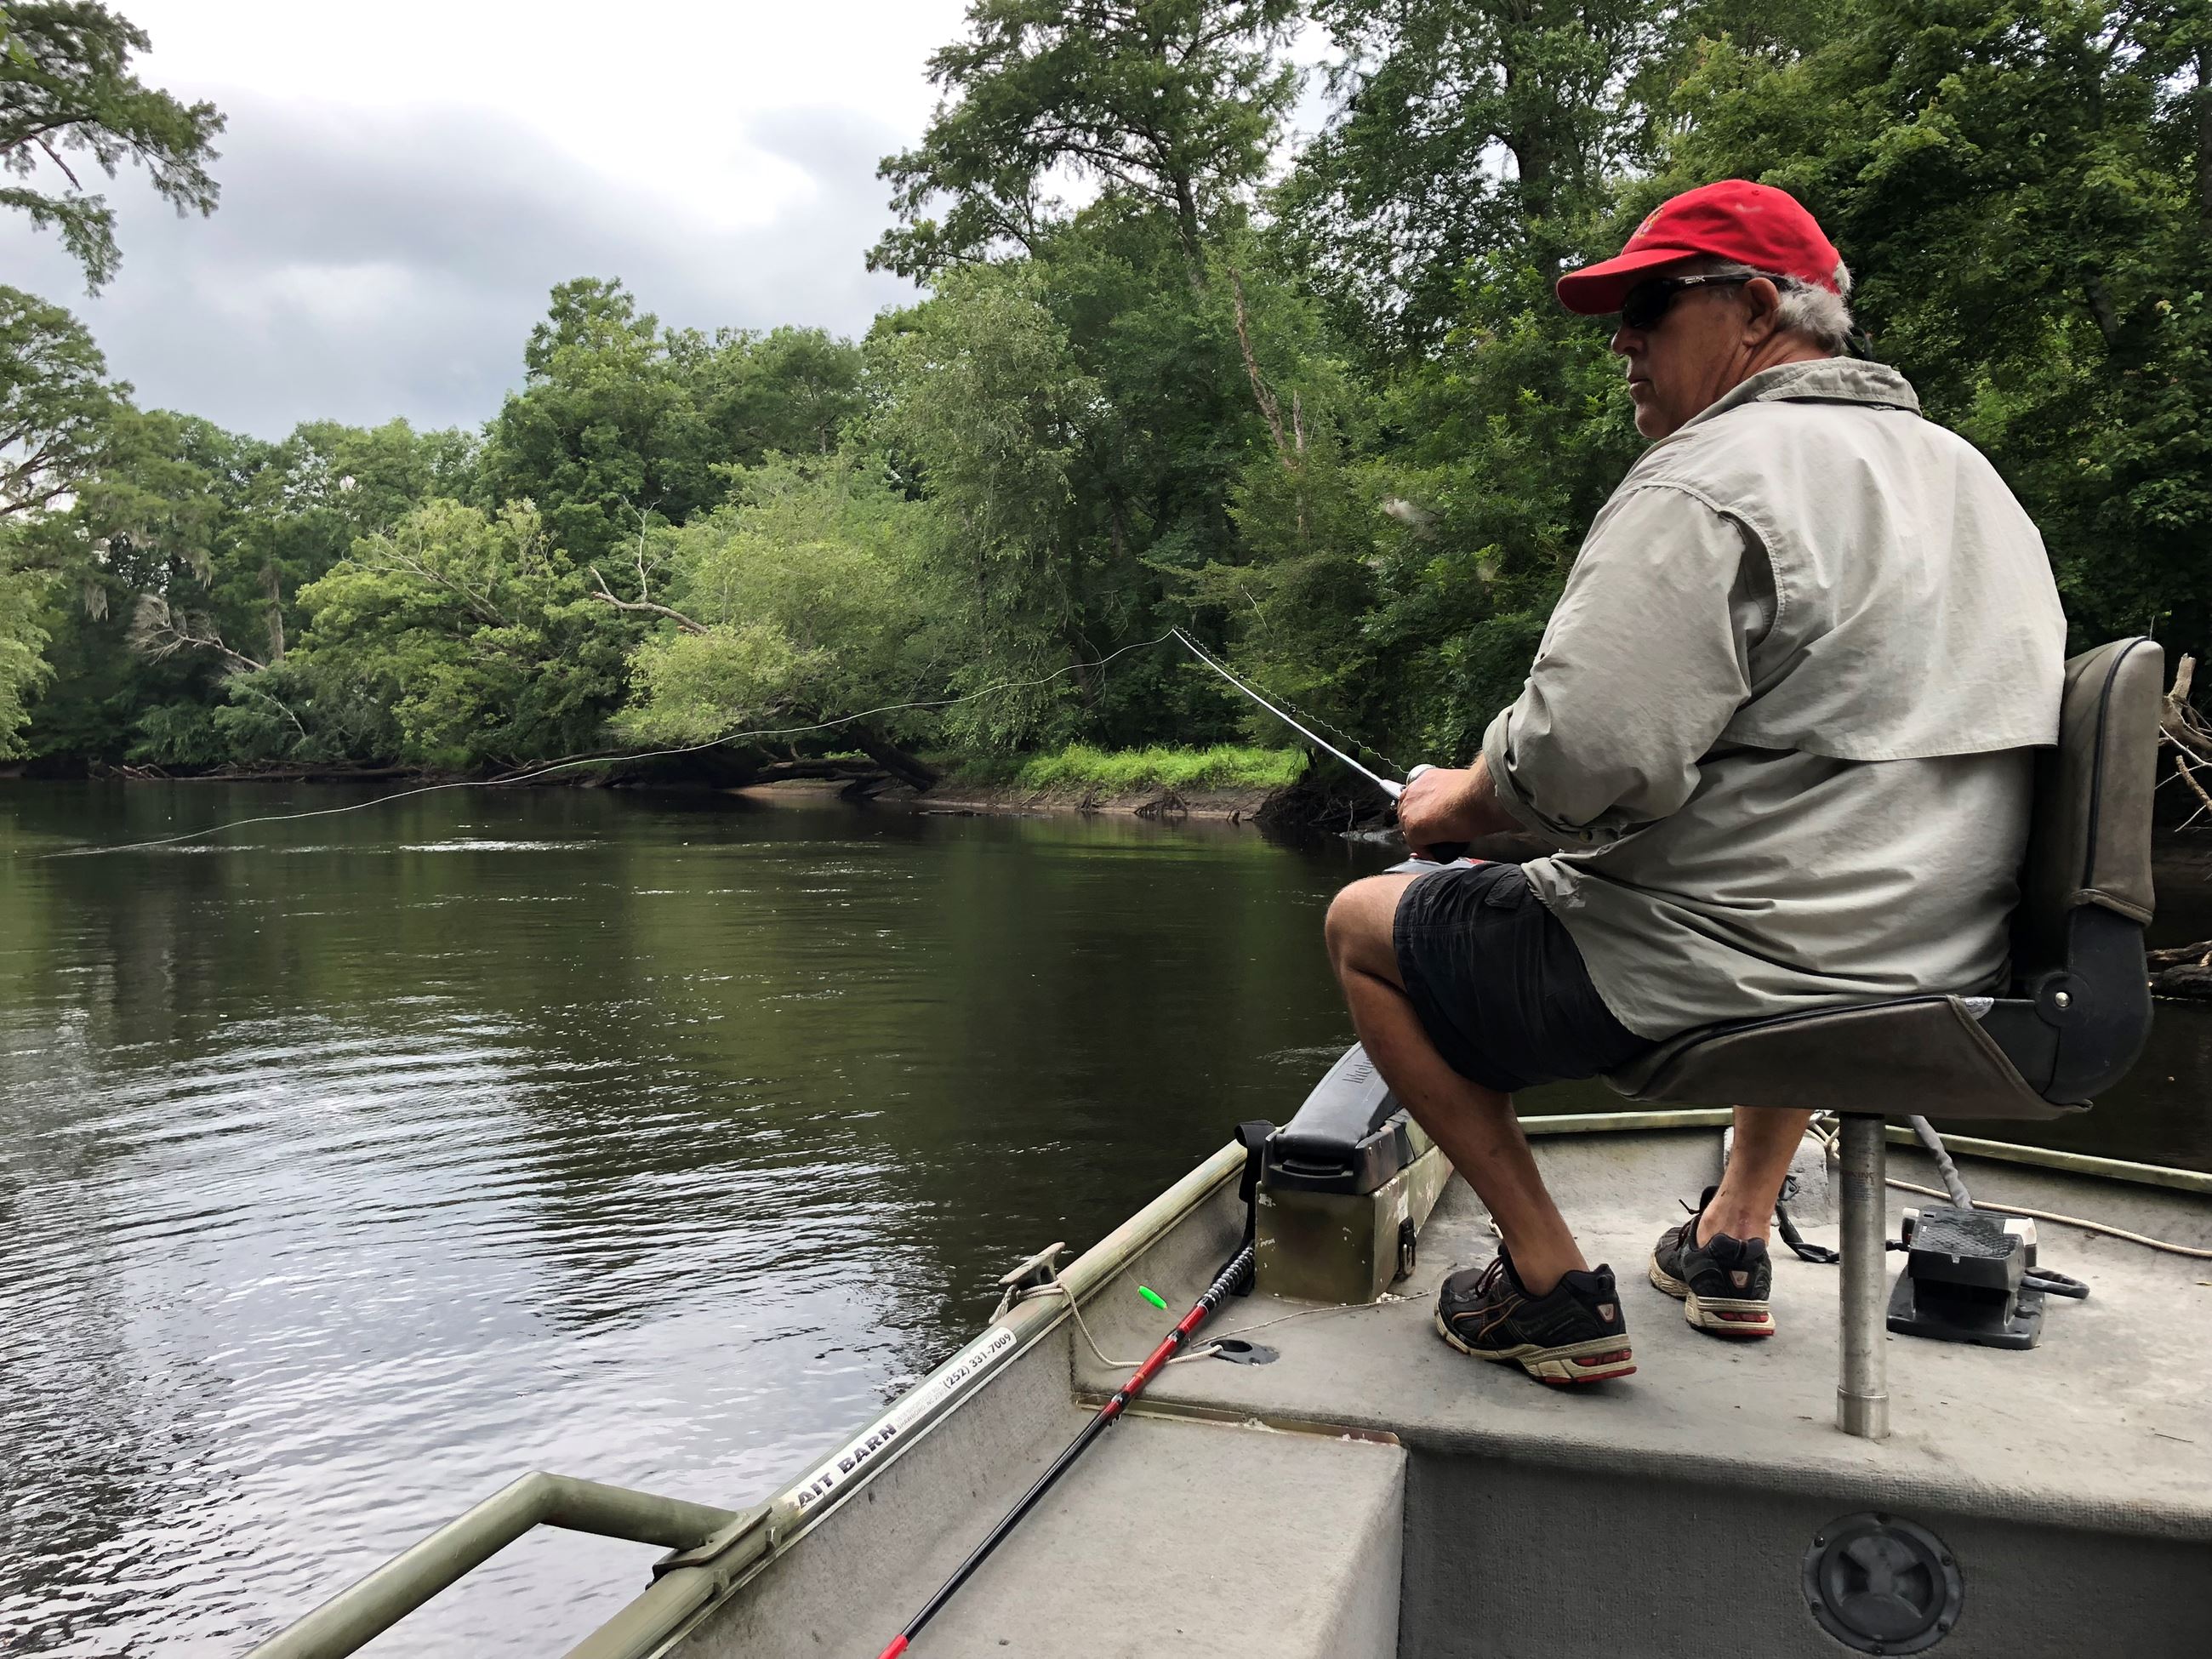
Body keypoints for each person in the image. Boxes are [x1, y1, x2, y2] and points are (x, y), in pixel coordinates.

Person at [1324, 179, 2067, 1386]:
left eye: (1652, 305)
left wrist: (1450, 806)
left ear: (1759, 309)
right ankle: (1729, 1242)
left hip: (1734, 972)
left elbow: (1582, 756)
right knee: (1795, 874)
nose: (1621, 340)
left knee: (1364, 927)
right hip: (1942, 976)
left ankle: (1553, 1285)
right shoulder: (1975, 486)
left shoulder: (1708, 475)